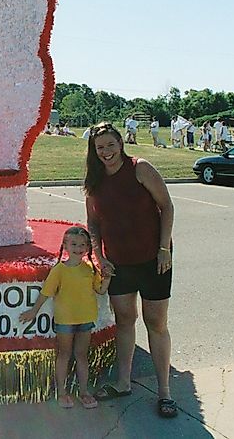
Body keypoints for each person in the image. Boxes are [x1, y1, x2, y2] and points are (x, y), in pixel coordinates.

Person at [83, 122, 178, 419]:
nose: (106, 152)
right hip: (119, 263)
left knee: (156, 322)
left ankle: (164, 392)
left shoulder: (140, 169)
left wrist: (164, 248)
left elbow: (167, 207)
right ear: (94, 151)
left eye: (110, 145)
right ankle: (123, 382)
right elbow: (94, 223)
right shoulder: (94, 181)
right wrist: (99, 256)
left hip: (154, 260)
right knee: (124, 320)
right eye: (100, 148)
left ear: (120, 144)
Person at [20, 226, 111, 410]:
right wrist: (33, 311)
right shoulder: (59, 270)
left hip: (86, 319)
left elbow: (100, 289)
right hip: (65, 321)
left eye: (83, 245)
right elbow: (46, 292)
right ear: (65, 246)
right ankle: (62, 392)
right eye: (74, 244)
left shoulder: (89, 269)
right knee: (64, 355)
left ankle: (84, 391)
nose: (78, 248)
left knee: (82, 355)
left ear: (87, 248)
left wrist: (107, 277)